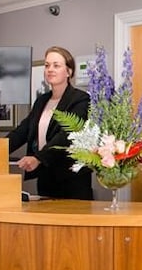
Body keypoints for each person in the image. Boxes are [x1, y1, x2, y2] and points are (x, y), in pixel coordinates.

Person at [8, 46, 93, 199]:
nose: (50, 69)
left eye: (56, 65)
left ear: (69, 72)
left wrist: (39, 158)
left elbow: (66, 135)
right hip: (46, 177)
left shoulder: (80, 99)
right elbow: (22, 131)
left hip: (71, 180)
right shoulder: (41, 101)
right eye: (47, 65)